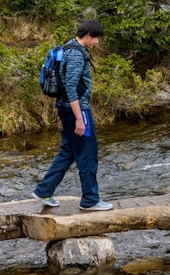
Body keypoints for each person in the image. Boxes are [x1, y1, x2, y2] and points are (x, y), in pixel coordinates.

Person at [33, 19, 113, 211]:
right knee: (87, 153)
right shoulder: (77, 55)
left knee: (68, 151)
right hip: (76, 109)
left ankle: (44, 190)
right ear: (88, 36)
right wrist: (79, 118)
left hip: (65, 108)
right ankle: (90, 199)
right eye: (96, 39)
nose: (97, 43)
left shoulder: (69, 46)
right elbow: (71, 87)